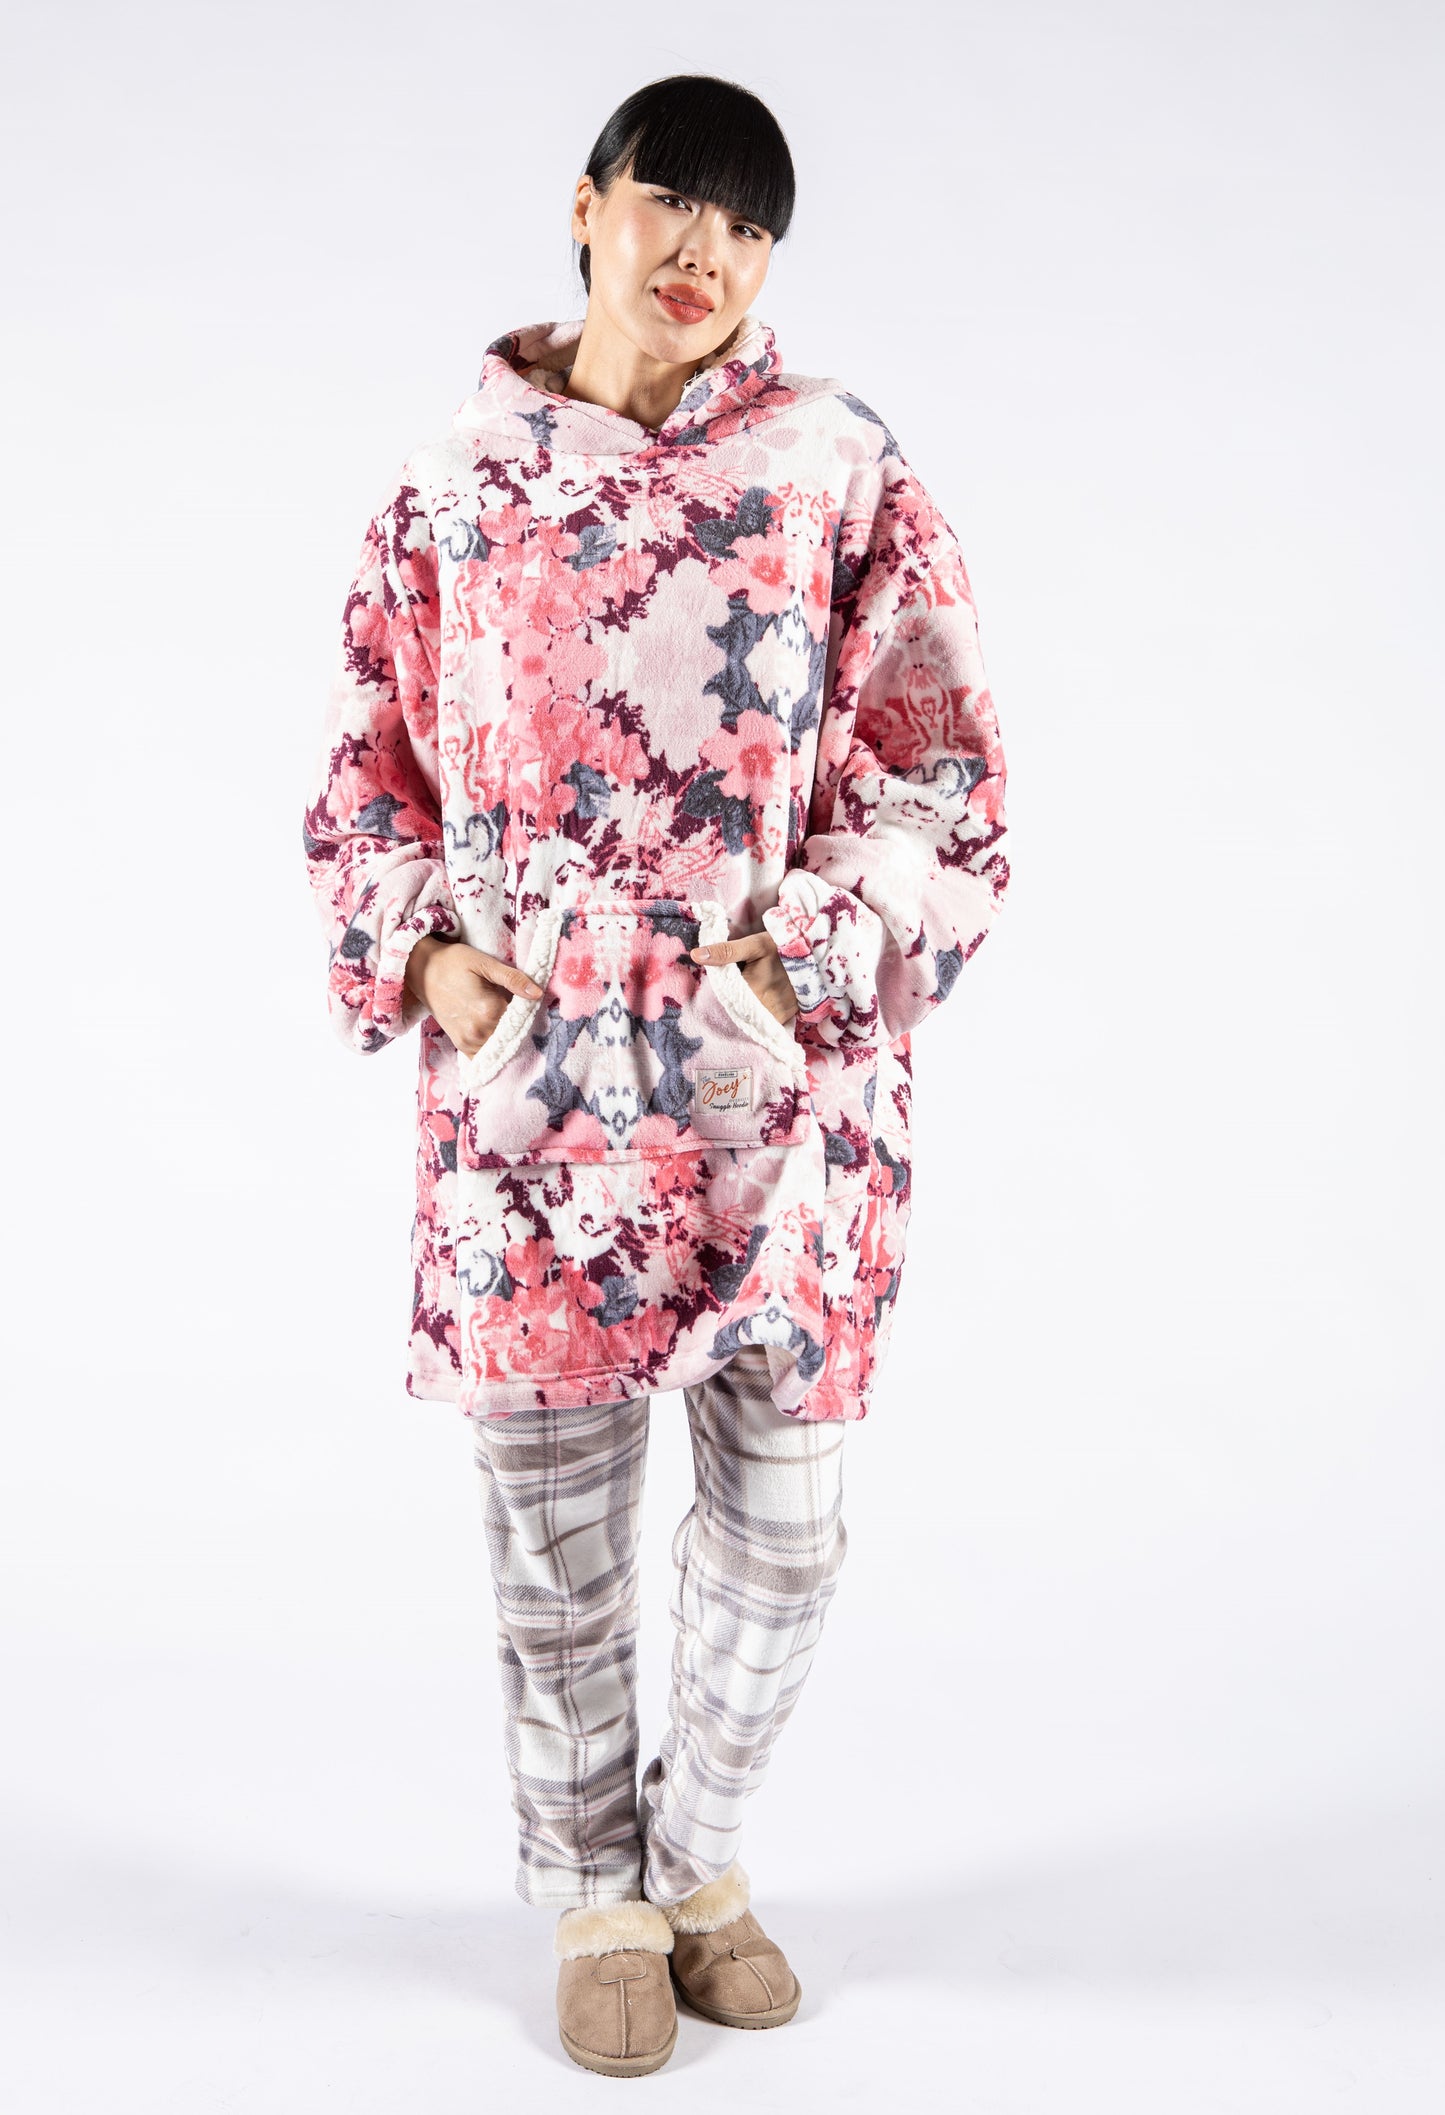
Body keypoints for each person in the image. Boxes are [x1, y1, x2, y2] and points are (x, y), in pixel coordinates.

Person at [302, 71, 1009, 2077]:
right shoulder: (454, 485)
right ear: (588, 203)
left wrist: (813, 957)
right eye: (673, 204)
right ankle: (593, 1890)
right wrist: (427, 959)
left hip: (769, 1097)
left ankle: (698, 1856)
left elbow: (941, 767)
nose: (707, 253)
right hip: (533, 1102)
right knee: (557, 1544)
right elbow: (367, 760)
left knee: (785, 1533)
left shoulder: (834, 468)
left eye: (751, 226)